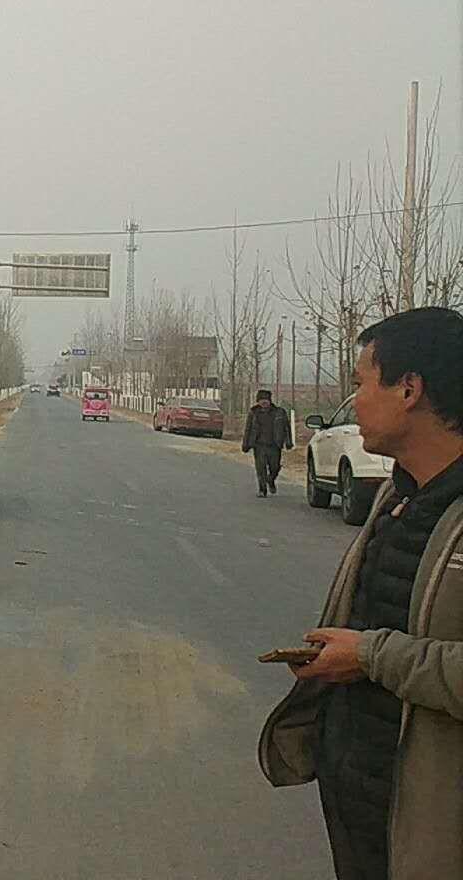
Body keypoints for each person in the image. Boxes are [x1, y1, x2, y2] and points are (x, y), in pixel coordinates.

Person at [259, 306, 463, 879]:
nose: (355, 401)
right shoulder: (397, 498)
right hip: (363, 805)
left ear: (409, 390)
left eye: (361, 383)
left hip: (434, 832)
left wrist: (371, 656)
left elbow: (379, 650)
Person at [243, 387, 295, 497]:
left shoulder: (279, 412)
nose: (264, 402)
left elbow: (286, 428)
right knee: (260, 468)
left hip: (275, 445)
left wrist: (288, 442)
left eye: (266, 400)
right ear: (258, 401)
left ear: (270, 401)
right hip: (259, 445)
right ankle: (262, 490)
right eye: (261, 400)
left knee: (275, 467)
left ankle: (271, 480)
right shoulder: (253, 412)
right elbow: (248, 429)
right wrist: (245, 444)